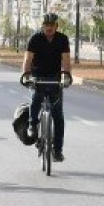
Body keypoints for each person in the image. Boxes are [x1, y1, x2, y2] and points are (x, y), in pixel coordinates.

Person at [22, 13, 72, 161]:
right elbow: (27, 59)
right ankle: (32, 125)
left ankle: (57, 151)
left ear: (57, 26)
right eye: (46, 25)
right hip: (38, 77)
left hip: (55, 78)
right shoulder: (35, 38)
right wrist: (26, 76)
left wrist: (66, 77)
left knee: (58, 115)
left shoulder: (62, 39)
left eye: (52, 25)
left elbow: (66, 61)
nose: (49, 28)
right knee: (36, 98)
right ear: (42, 25)